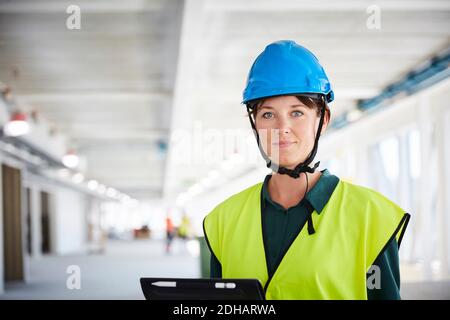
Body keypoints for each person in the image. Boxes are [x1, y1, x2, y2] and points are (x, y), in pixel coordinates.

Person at [203, 40, 410, 300]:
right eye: (268, 114)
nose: (282, 127)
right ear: (254, 124)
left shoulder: (372, 218)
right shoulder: (223, 221)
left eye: (297, 113)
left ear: (322, 120)